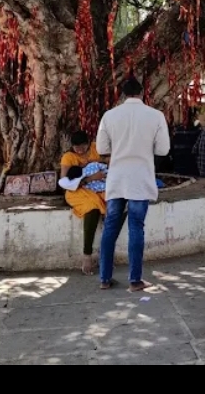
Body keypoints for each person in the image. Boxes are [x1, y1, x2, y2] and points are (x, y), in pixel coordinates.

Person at [96, 77, 170, 292]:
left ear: (122, 95)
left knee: (110, 228)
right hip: (140, 178)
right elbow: (163, 150)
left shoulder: (109, 116)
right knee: (136, 227)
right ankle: (135, 280)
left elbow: (102, 148)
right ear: (142, 93)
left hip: (117, 178)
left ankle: (104, 279)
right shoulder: (155, 116)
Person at [60, 131, 108, 275]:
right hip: (78, 190)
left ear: (89, 143)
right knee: (92, 208)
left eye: (83, 146)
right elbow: (64, 182)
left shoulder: (95, 148)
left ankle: (107, 254)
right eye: (76, 147)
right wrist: (90, 178)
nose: (80, 150)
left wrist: (103, 164)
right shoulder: (68, 157)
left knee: (117, 204)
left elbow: (109, 160)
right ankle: (87, 255)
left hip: (100, 186)